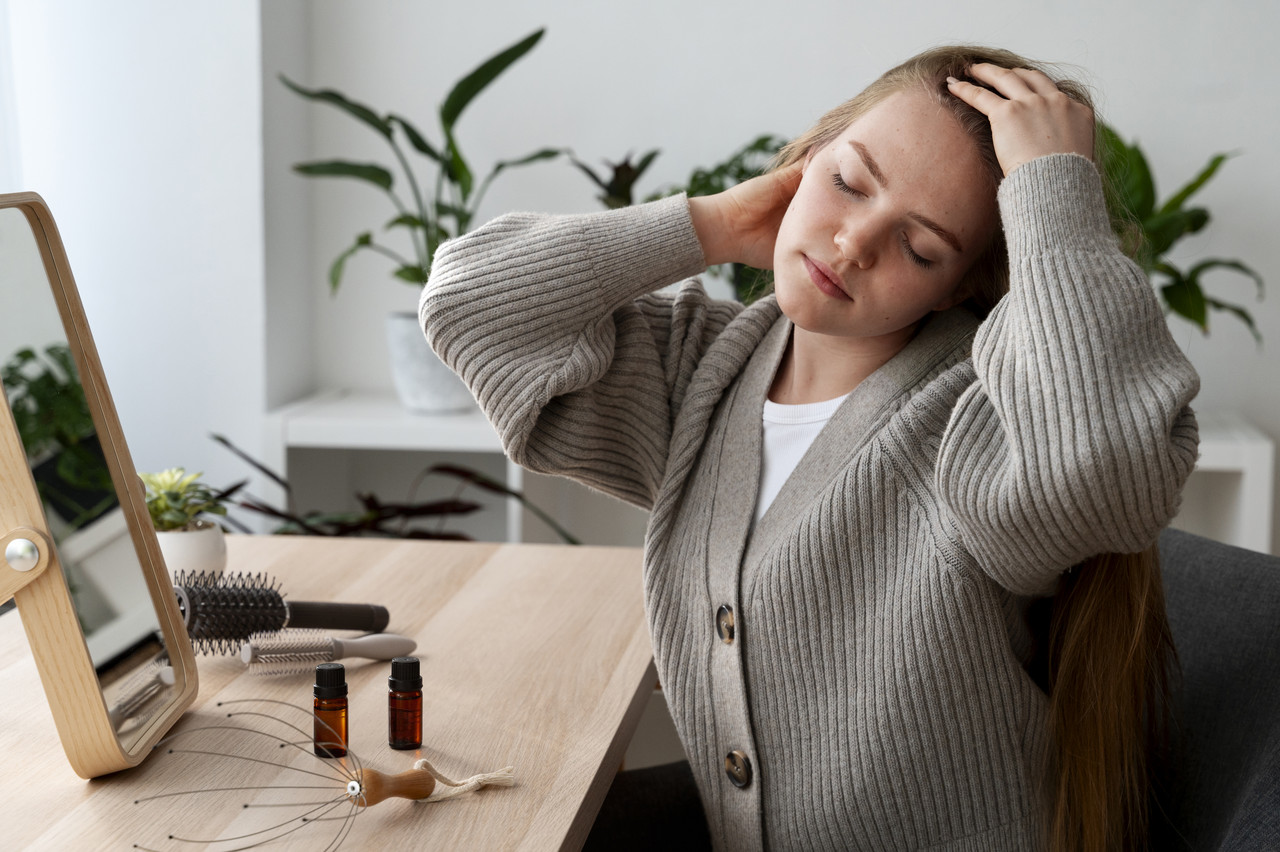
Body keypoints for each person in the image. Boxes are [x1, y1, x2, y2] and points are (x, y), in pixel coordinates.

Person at [420, 45, 1200, 852]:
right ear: (810, 156)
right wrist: (714, 224)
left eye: (921, 248)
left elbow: (1107, 471)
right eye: (848, 182)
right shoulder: (700, 372)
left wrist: (1054, 194)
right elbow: (470, 306)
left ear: (962, 284)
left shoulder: (971, 428)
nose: (855, 241)